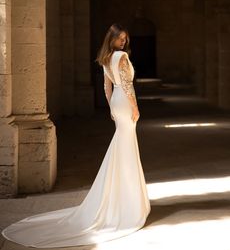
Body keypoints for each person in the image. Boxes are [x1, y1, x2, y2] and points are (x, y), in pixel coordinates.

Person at [1, 23, 151, 248]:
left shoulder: (106, 57)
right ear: (112, 40)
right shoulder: (120, 56)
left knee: (122, 145)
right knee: (126, 147)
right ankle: (127, 202)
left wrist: (111, 107)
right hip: (126, 103)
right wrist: (135, 107)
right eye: (120, 39)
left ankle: (120, 197)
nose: (123, 42)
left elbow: (106, 87)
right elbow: (127, 86)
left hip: (117, 104)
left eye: (125, 39)